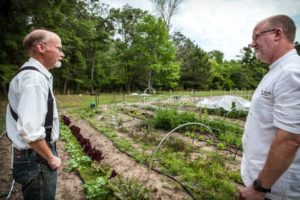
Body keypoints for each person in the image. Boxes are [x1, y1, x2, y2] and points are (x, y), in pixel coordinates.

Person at [239, 15, 300, 200]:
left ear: (277, 34)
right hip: (264, 183)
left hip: (274, 190)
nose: (252, 44)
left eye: (255, 37)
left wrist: (260, 188)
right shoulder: (277, 71)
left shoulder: (292, 73)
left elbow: (289, 139)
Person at [6, 29, 64, 200]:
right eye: (59, 48)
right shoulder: (34, 79)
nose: (62, 54)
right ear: (41, 47)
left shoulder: (29, 75)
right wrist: (51, 158)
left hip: (31, 156)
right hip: (36, 158)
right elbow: (30, 131)